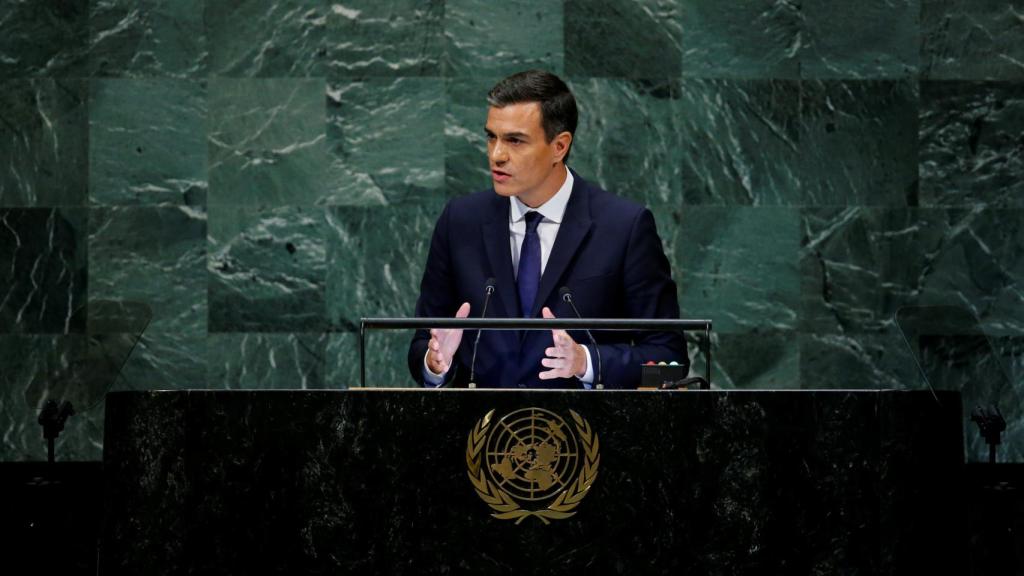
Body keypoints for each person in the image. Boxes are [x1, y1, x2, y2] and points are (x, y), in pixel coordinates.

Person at [407, 70, 686, 389]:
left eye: (515, 140)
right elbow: (422, 344)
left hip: (582, 421)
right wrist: (434, 364)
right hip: (482, 421)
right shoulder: (460, 221)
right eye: (491, 137)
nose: (496, 155)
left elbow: (671, 366)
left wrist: (587, 362)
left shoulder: (624, 227)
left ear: (559, 146)